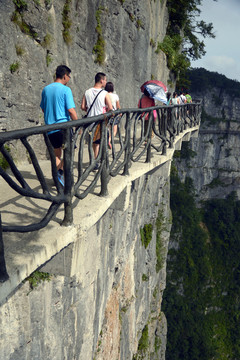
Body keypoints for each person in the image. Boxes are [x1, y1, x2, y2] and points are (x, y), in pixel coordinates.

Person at [40, 65, 78, 186]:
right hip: (64, 128)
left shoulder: (46, 89)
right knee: (69, 152)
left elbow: (43, 109)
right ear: (65, 75)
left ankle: (59, 176)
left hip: (50, 129)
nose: (69, 79)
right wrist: (77, 124)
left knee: (57, 154)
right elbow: (71, 110)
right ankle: (62, 174)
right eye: (69, 77)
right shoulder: (66, 90)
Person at [81, 72, 113, 168]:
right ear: (101, 80)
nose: (106, 82)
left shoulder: (87, 92)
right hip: (100, 121)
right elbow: (110, 108)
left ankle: (94, 161)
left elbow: (82, 106)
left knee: (93, 142)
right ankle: (99, 161)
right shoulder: (105, 93)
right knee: (100, 141)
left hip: (90, 121)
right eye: (105, 80)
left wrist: (90, 110)